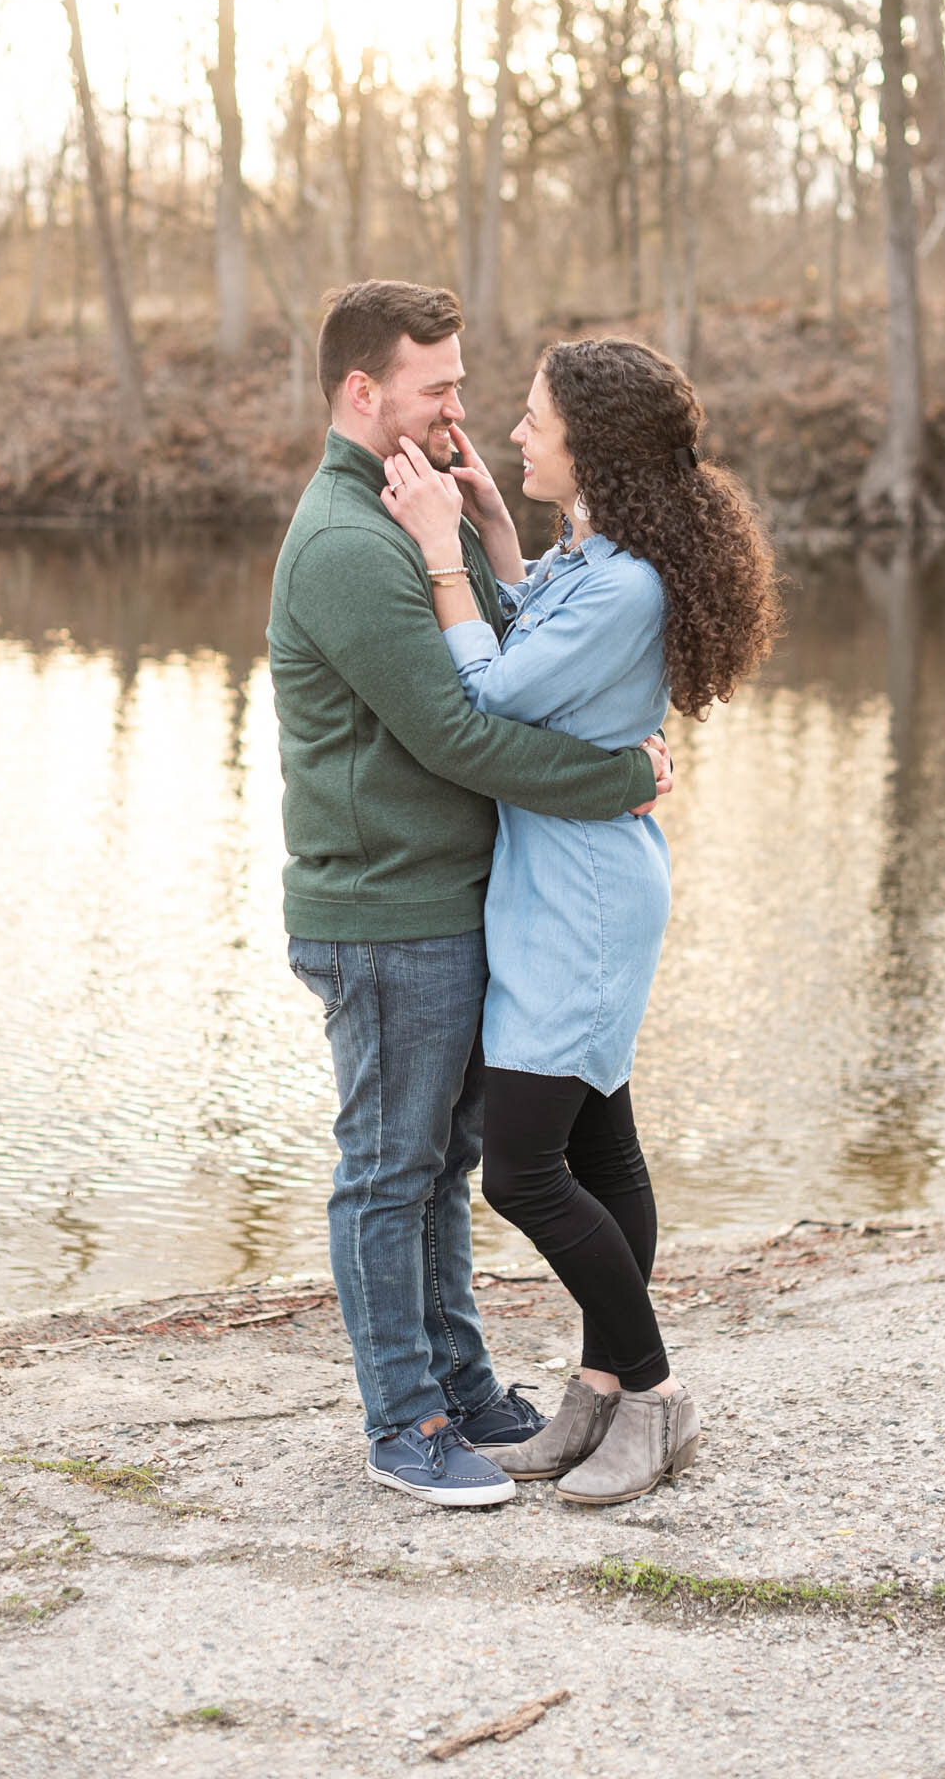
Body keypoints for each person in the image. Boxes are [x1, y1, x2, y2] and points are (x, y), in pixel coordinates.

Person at [266, 282, 671, 1509]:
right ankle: (405, 1420)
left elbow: (512, 641)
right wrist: (614, 777)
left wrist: (481, 542)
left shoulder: (404, 510)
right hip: (384, 911)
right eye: (435, 386)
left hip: (455, 898)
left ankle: (465, 1383)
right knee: (390, 1171)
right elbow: (459, 729)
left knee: (440, 1166)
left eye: (460, 382)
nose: (460, 407)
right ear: (361, 391)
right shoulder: (346, 542)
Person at [380, 336, 779, 1506]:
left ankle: (651, 1396)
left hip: (585, 898)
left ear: (589, 443)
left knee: (521, 1166)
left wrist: (438, 553)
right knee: (601, 1148)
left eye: (533, 418)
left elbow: (490, 688)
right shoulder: (598, 556)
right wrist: (499, 534)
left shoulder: (625, 581)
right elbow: (529, 635)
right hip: (562, 880)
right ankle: (596, 1391)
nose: (511, 430)